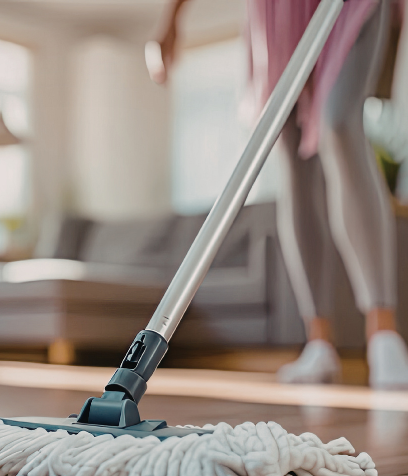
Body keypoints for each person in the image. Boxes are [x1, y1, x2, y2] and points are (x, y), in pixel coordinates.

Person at [149, 0, 408, 389]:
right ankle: (318, 342)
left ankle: (383, 333)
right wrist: (171, 17)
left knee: (339, 122)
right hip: (276, 10)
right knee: (288, 147)